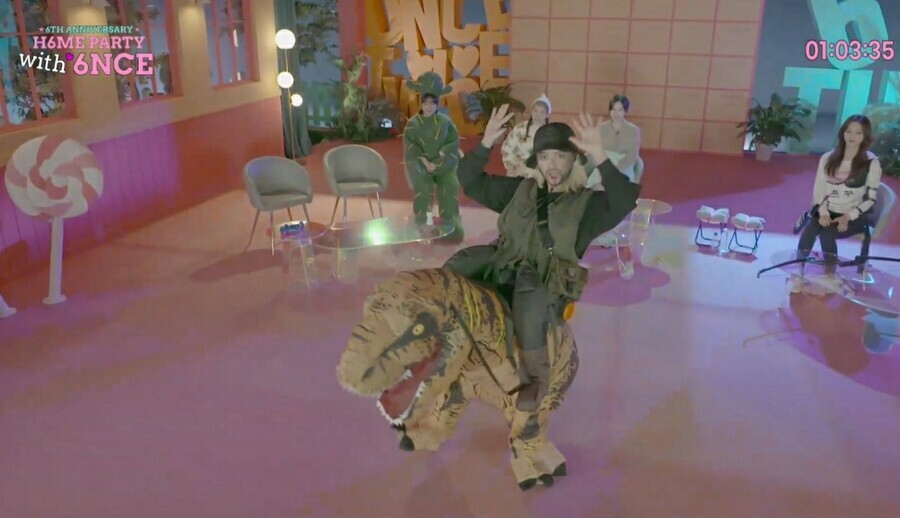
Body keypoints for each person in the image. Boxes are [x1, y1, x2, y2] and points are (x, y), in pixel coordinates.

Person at [444, 104, 640, 412]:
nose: (552, 165)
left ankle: (536, 378)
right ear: (537, 161)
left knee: (528, 299)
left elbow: (625, 200)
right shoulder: (521, 190)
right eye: (546, 157)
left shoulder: (587, 206)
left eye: (561, 156)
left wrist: (600, 156)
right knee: (459, 265)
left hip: (543, 281)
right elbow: (469, 180)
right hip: (503, 264)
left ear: (573, 160)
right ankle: (442, 339)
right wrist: (485, 144)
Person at [792, 114, 882, 289]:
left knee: (828, 232)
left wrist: (848, 216)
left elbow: (871, 199)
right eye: (849, 131)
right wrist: (823, 212)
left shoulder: (871, 162)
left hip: (854, 215)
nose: (852, 136)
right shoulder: (827, 158)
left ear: (865, 136)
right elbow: (819, 190)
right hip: (828, 209)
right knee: (811, 229)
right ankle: (798, 271)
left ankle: (829, 275)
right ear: (842, 132)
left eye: (858, 133)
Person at [403, 71, 464, 241]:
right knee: (423, 186)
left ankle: (450, 225)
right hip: (421, 165)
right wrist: (424, 161)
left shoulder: (445, 122)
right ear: (421, 102)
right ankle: (423, 225)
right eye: (426, 102)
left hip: (444, 164)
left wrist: (442, 155)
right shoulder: (413, 124)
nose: (429, 106)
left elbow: (454, 141)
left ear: (437, 103)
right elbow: (411, 147)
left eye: (433, 103)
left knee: (450, 183)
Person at [588, 94, 641, 187]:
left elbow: (632, 156)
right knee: (597, 187)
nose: (616, 113)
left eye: (620, 110)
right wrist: (605, 168)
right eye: (613, 109)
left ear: (625, 111)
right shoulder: (602, 128)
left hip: (624, 168)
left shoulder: (633, 130)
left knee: (618, 187)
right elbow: (595, 152)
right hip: (604, 166)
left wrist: (616, 170)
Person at [500, 94, 552, 179]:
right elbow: (507, 148)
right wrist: (511, 166)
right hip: (517, 170)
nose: (538, 115)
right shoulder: (520, 128)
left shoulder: (551, 133)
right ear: (531, 111)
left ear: (547, 115)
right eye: (535, 111)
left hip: (538, 174)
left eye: (542, 112)